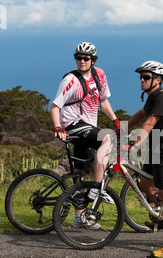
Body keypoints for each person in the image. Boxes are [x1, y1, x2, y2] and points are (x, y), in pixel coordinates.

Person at [50, 41, 121, 229]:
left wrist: (115, 119)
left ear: (93, 60)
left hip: (87, 126)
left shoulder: (99, 75)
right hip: (73, 125)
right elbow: (55, 106)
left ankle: (78, 218)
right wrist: (58, 128)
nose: (81, 61)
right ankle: (97, 189)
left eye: (86, 58)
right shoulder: (70, 81)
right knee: (107, 138)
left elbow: (103, 101)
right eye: (78, 57)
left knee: (81, 172)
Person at [127, 61, 163, 258]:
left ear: (158, 80)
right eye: (141, 76)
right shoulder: (152, 97)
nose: (142, 80)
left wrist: (133, 145)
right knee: (145, 184)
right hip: (154, 151)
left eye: (146, 77)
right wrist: (122, 129)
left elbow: (149, 123)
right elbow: (141, 115)